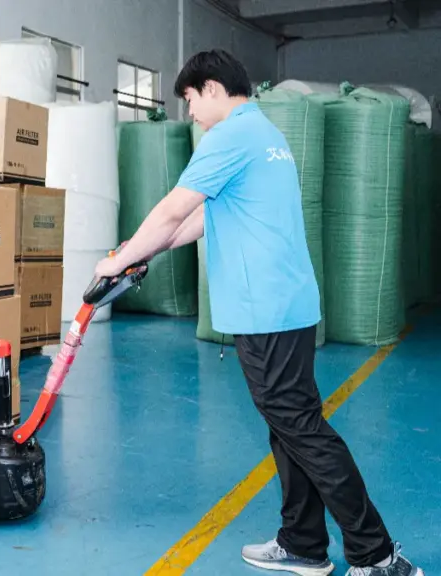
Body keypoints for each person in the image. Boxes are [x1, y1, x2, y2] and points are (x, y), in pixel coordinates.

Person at [93, 49, 424, 576]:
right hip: (287, 306)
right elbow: (198, 220)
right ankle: (303, 543)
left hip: (265, 310)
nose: (191, 113)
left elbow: (175, 207)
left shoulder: (230, 137)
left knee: (302, 429)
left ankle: (377, 554)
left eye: (190, 100)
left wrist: (119, 256)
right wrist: (140, 254)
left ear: (214, 89)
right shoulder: (265, 135)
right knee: (289, 427)